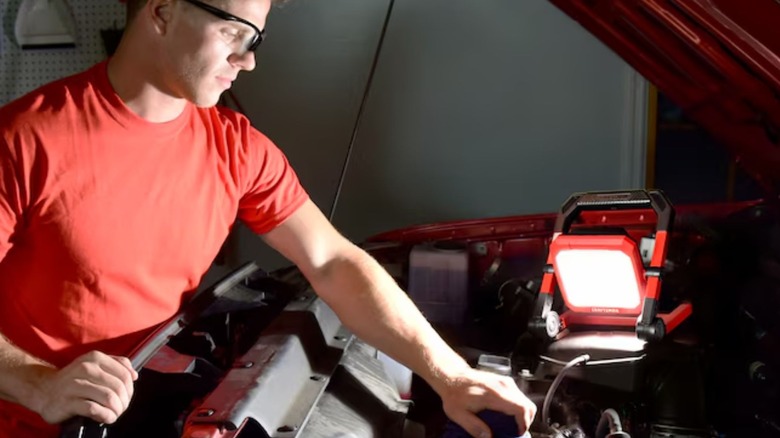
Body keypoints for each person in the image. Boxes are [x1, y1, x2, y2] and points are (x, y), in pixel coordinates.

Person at [0, 0, 537, 436]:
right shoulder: (23, 142)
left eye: (255, 39)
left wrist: (451, 375)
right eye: (234, 33)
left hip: (151, 411)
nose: (248, 60)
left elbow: (333, 263)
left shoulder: (236, 148)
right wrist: (39, 383)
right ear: (162, 12)